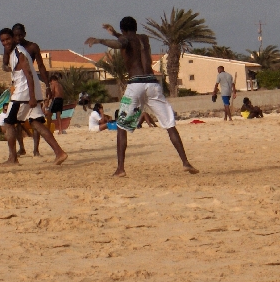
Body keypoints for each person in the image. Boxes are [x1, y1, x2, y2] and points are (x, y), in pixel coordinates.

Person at [85, 17, 198, 177]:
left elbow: (121, 44)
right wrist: (116, 33)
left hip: (135, 85)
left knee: (122, 126)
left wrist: (100, 40)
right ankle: (185, 162)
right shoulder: (143, 39)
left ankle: (120, 169)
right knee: (170, 125)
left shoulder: (125, 39)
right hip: (153, 85)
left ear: (123, 30)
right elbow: (129, 42)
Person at [0, 28, 67, 166]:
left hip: (23, 93)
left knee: (9, 123)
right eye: (3, 41)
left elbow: (29, 74)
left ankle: (12, 158)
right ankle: (59, 152)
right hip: (27, 93)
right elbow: (5, 64)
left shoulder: (20, 53)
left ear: (13, 38)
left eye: (7, 39)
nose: (5, 43)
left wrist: (32, 97)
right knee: (36, 123)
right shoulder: (13, 52)